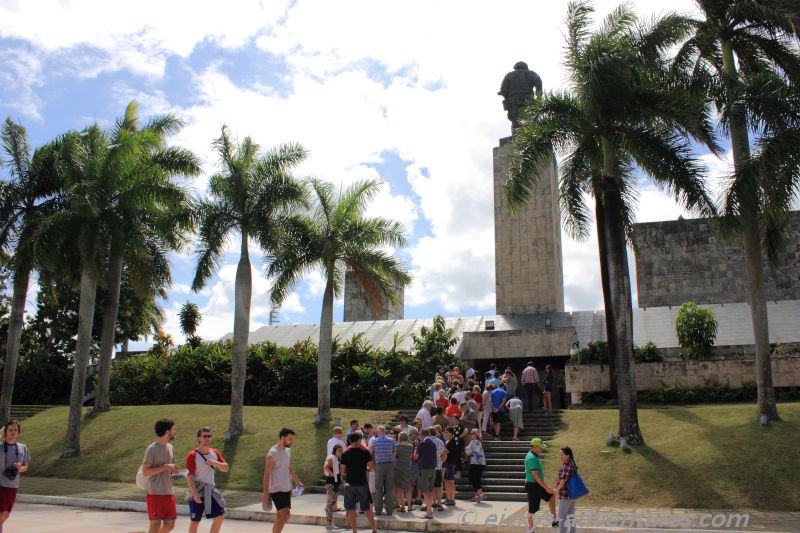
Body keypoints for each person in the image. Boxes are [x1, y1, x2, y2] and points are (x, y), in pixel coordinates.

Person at [186, 427, 228, 533]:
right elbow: (189, 476)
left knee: (219, 517)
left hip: (210, 491)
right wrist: (195, 494)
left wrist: (215, 462)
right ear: (199, 438)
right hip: (197, 491)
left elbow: (225, 468)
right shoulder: (192, 455)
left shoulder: (215, 452)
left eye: (209, 436)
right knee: (195, 521)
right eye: (205, 436)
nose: (207, 438)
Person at [262, 428, 303, 533]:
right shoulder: (272, 453)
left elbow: (287, 467)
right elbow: (267, 475)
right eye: (290, 439)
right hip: (276, 489)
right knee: (285, 515)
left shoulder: (287, 450)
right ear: (282, 438)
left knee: (280, 516)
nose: (292, 441)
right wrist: (265, 494)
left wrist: (297, 481)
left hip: (286, 487)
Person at [141, 418, 179, 533]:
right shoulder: (152, 449)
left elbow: (170, 471)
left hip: (168, 491)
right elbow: (145, 472)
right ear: (167, 432)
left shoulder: (171, 447)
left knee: (170, 524)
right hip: (155, 492)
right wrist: (166, 467)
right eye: (173, 429)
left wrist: (178, 473)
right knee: (156, 523)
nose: (175, 431)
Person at [340, 432, 377, 533]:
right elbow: (371, 467)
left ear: (350, 441)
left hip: (349, 483)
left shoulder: (345, 453)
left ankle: (354, 530)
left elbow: (342, 470)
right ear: (358, 440)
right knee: (367, 508)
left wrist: (343, 480)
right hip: (362, 483)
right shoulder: (365, 452)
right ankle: (373, 529)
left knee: (351, 508)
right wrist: (367, 469)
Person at [0, 421, 29, 531]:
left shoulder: (23, 448)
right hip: (0, 483)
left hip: (12, 485)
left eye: (15, 430)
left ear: (18, 432)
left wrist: (20, 468)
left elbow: (25, 466)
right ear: (6, 432)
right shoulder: (1, 447)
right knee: (2, 512)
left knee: (6, 514)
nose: (13, 432)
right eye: (10, 430)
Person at [525, 438, 558, 530]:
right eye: (540, 447)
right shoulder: (531, 458)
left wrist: (545, 488)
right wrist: (546, 487)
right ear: (535, 447)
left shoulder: (535, 456)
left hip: (537, 485)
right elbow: (535, 476)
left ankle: (554, 520)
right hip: (533, 486)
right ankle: (531, 529)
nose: (542, 449)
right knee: (532, 510)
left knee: (551, 496)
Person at [369, 425, 396, 516]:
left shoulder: (374, 441)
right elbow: (394, 453)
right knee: (389, 488)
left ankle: (378, 509)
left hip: (379, 465)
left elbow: (370, 454)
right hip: (389, 465)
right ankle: (389, 510)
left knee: (378, 488)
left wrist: (372, 465)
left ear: (378, 431)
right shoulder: (392, 440)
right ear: (385, 431)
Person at [412, 428, 437, 520]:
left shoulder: (422, 443)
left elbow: (415, 457)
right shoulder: (433, 443)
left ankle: (429, 512)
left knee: (425, 492)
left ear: (422, 435)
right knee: (430, 491)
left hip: (424, 469)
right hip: (432, 469)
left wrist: (415, 446)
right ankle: (429, 511)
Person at [554, 446, 579, 533]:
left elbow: (563, 480)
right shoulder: (571, 463)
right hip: (572, 495)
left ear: (568, 455)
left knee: (562, 518)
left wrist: (556, 490)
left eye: (562, 454)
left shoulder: (566, 465)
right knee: (571, 516)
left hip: (566, 496)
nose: (560, 456)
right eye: (560, 454)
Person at [323, 444, 344, 530]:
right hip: (331, 484)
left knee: (332, 504)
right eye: (339, 451)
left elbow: (338, 473)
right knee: (330, 504)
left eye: (341, 451)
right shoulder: (331, 457)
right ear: (335, 450)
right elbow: (325, 466)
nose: (341, 452)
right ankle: (328, 523)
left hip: (335, 484)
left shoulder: (337, 459)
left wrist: (341, 482)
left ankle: (330, 522)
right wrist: (331, 474)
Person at [393, 432, 414, 512]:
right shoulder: (411, 446)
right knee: (408, 487)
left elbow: (395, 456)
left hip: (399, 466)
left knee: (400, 487)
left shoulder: (397, 446)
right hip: (408, 466)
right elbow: (411, 457)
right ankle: (409, 506)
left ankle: (402, 506)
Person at [442, 427, 462, 507]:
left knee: (451, 481)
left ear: (451, 433)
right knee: (446, 481)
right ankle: (448, 497)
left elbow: (447, 452)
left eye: (446, 432)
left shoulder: (452, 442)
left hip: (451, 463)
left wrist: (442, 458)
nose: (445, 434)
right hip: (447, 463)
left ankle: (452, 499)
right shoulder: (448, 441)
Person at [465, 429, 485, 503]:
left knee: (472, 479)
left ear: (476, 434)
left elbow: (468, 452)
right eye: (471, 433)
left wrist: (466, 448)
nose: (471, 435)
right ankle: (477, 497)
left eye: (472, 433)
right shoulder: (479, 442)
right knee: (477, 479)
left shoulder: (473, 442)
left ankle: (481, 494)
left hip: (475, 463)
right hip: (481, 463)